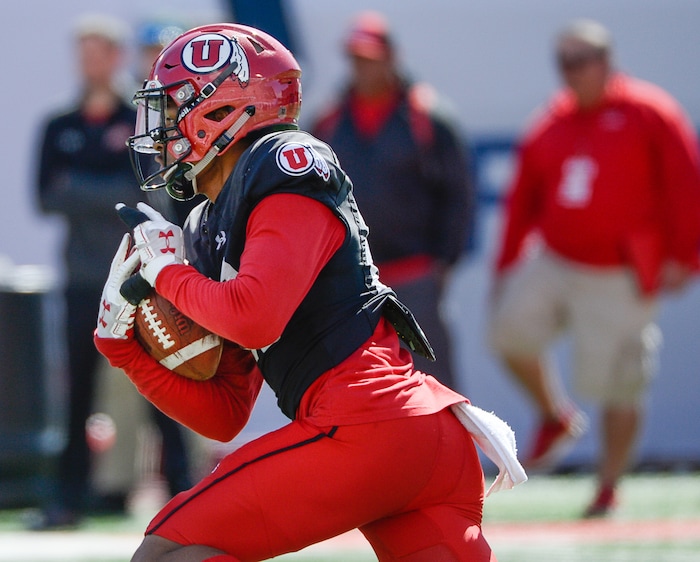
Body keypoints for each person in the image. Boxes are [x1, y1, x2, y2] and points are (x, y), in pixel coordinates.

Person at [94, 23, 525, 561]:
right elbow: (225, 412)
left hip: (368, 423)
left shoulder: (283, 161)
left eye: (174, 106)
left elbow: (254, 317)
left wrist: (164, 275)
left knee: (164, 552)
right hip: (412, 436)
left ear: (221, 109)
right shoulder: (208, 223)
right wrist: (124, 352)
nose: (161, 131)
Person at [488, 18, 700, 517]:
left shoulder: (650, 113)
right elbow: (523, 202)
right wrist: (506, 265)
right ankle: (554, 415)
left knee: (619, 382)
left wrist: (686, 256)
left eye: (582, 60)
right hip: (557, 259)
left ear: (606, 62)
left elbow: (684, 185)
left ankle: (608, 486)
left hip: (620, 270)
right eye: (564, 63)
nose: (572, 72)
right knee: (508, 332)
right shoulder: (551, 123)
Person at [31, 13, 191, 529]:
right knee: (76, 391)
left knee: (162, 387)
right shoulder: (61, 124)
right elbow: (44, 197)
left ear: (117, 56)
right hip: (82, 278)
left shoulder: (143, 120)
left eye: (99, 50)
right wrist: (107, 194)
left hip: (138, 276)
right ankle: (66, 500)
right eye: (84, 52)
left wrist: (80, 189)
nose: (90, 61)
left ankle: (185, 500)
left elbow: (151, 197)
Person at [311, 11, 474, 392]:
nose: (363, 68)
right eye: (356, 59)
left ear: (391, 57)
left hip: (415, 273)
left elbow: (459, 195)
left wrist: (443, 262)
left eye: (371, 58)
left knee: (435, 384)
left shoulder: (428, 117)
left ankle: (456, 453)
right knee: (363, 387)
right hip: (354, 282)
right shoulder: (330, 121)